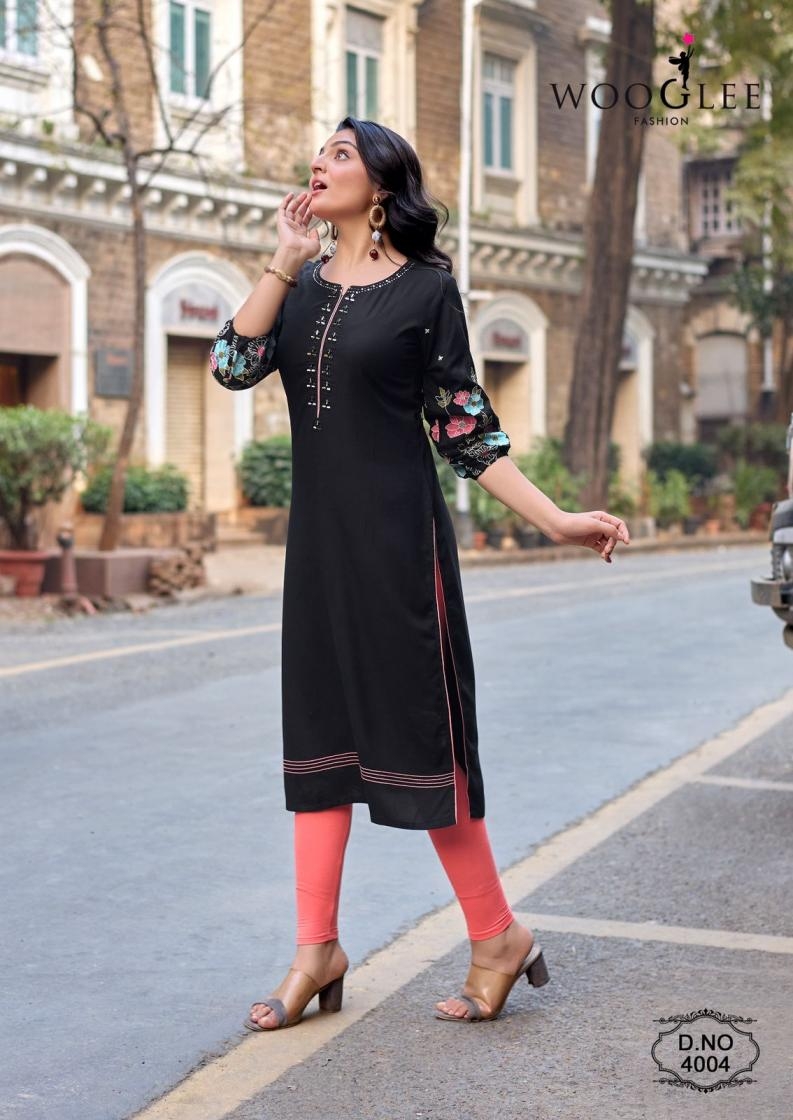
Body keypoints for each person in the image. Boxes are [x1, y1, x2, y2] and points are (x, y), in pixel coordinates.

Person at [209, 117, 630, 1028]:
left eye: (341, 154)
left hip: (401, 556)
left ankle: (496, 936)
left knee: (425, 751)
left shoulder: (427, 291)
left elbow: (465, 432)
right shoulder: (299, 285)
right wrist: (283, 257)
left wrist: (556, 519)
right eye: (319, 151)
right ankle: (315, 950)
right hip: (317, 557)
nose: (320, 162)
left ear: (382, 186)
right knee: (318, 751)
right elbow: (232, 367)